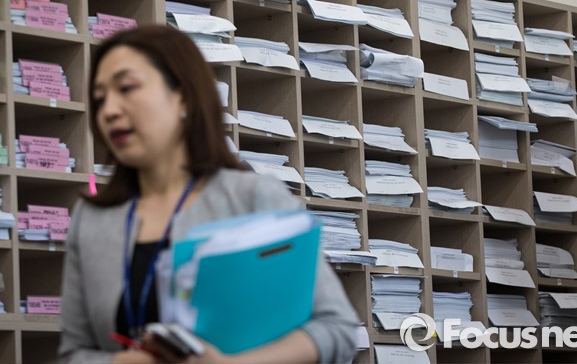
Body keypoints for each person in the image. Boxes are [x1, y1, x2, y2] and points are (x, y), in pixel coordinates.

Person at [58, 25, 360, 364]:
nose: (109, 110)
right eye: (100, 98)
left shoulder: (252, 197)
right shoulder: (91, 219)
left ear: (183, 97)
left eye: (126, 88)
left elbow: (337, 329)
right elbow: (73, 353)